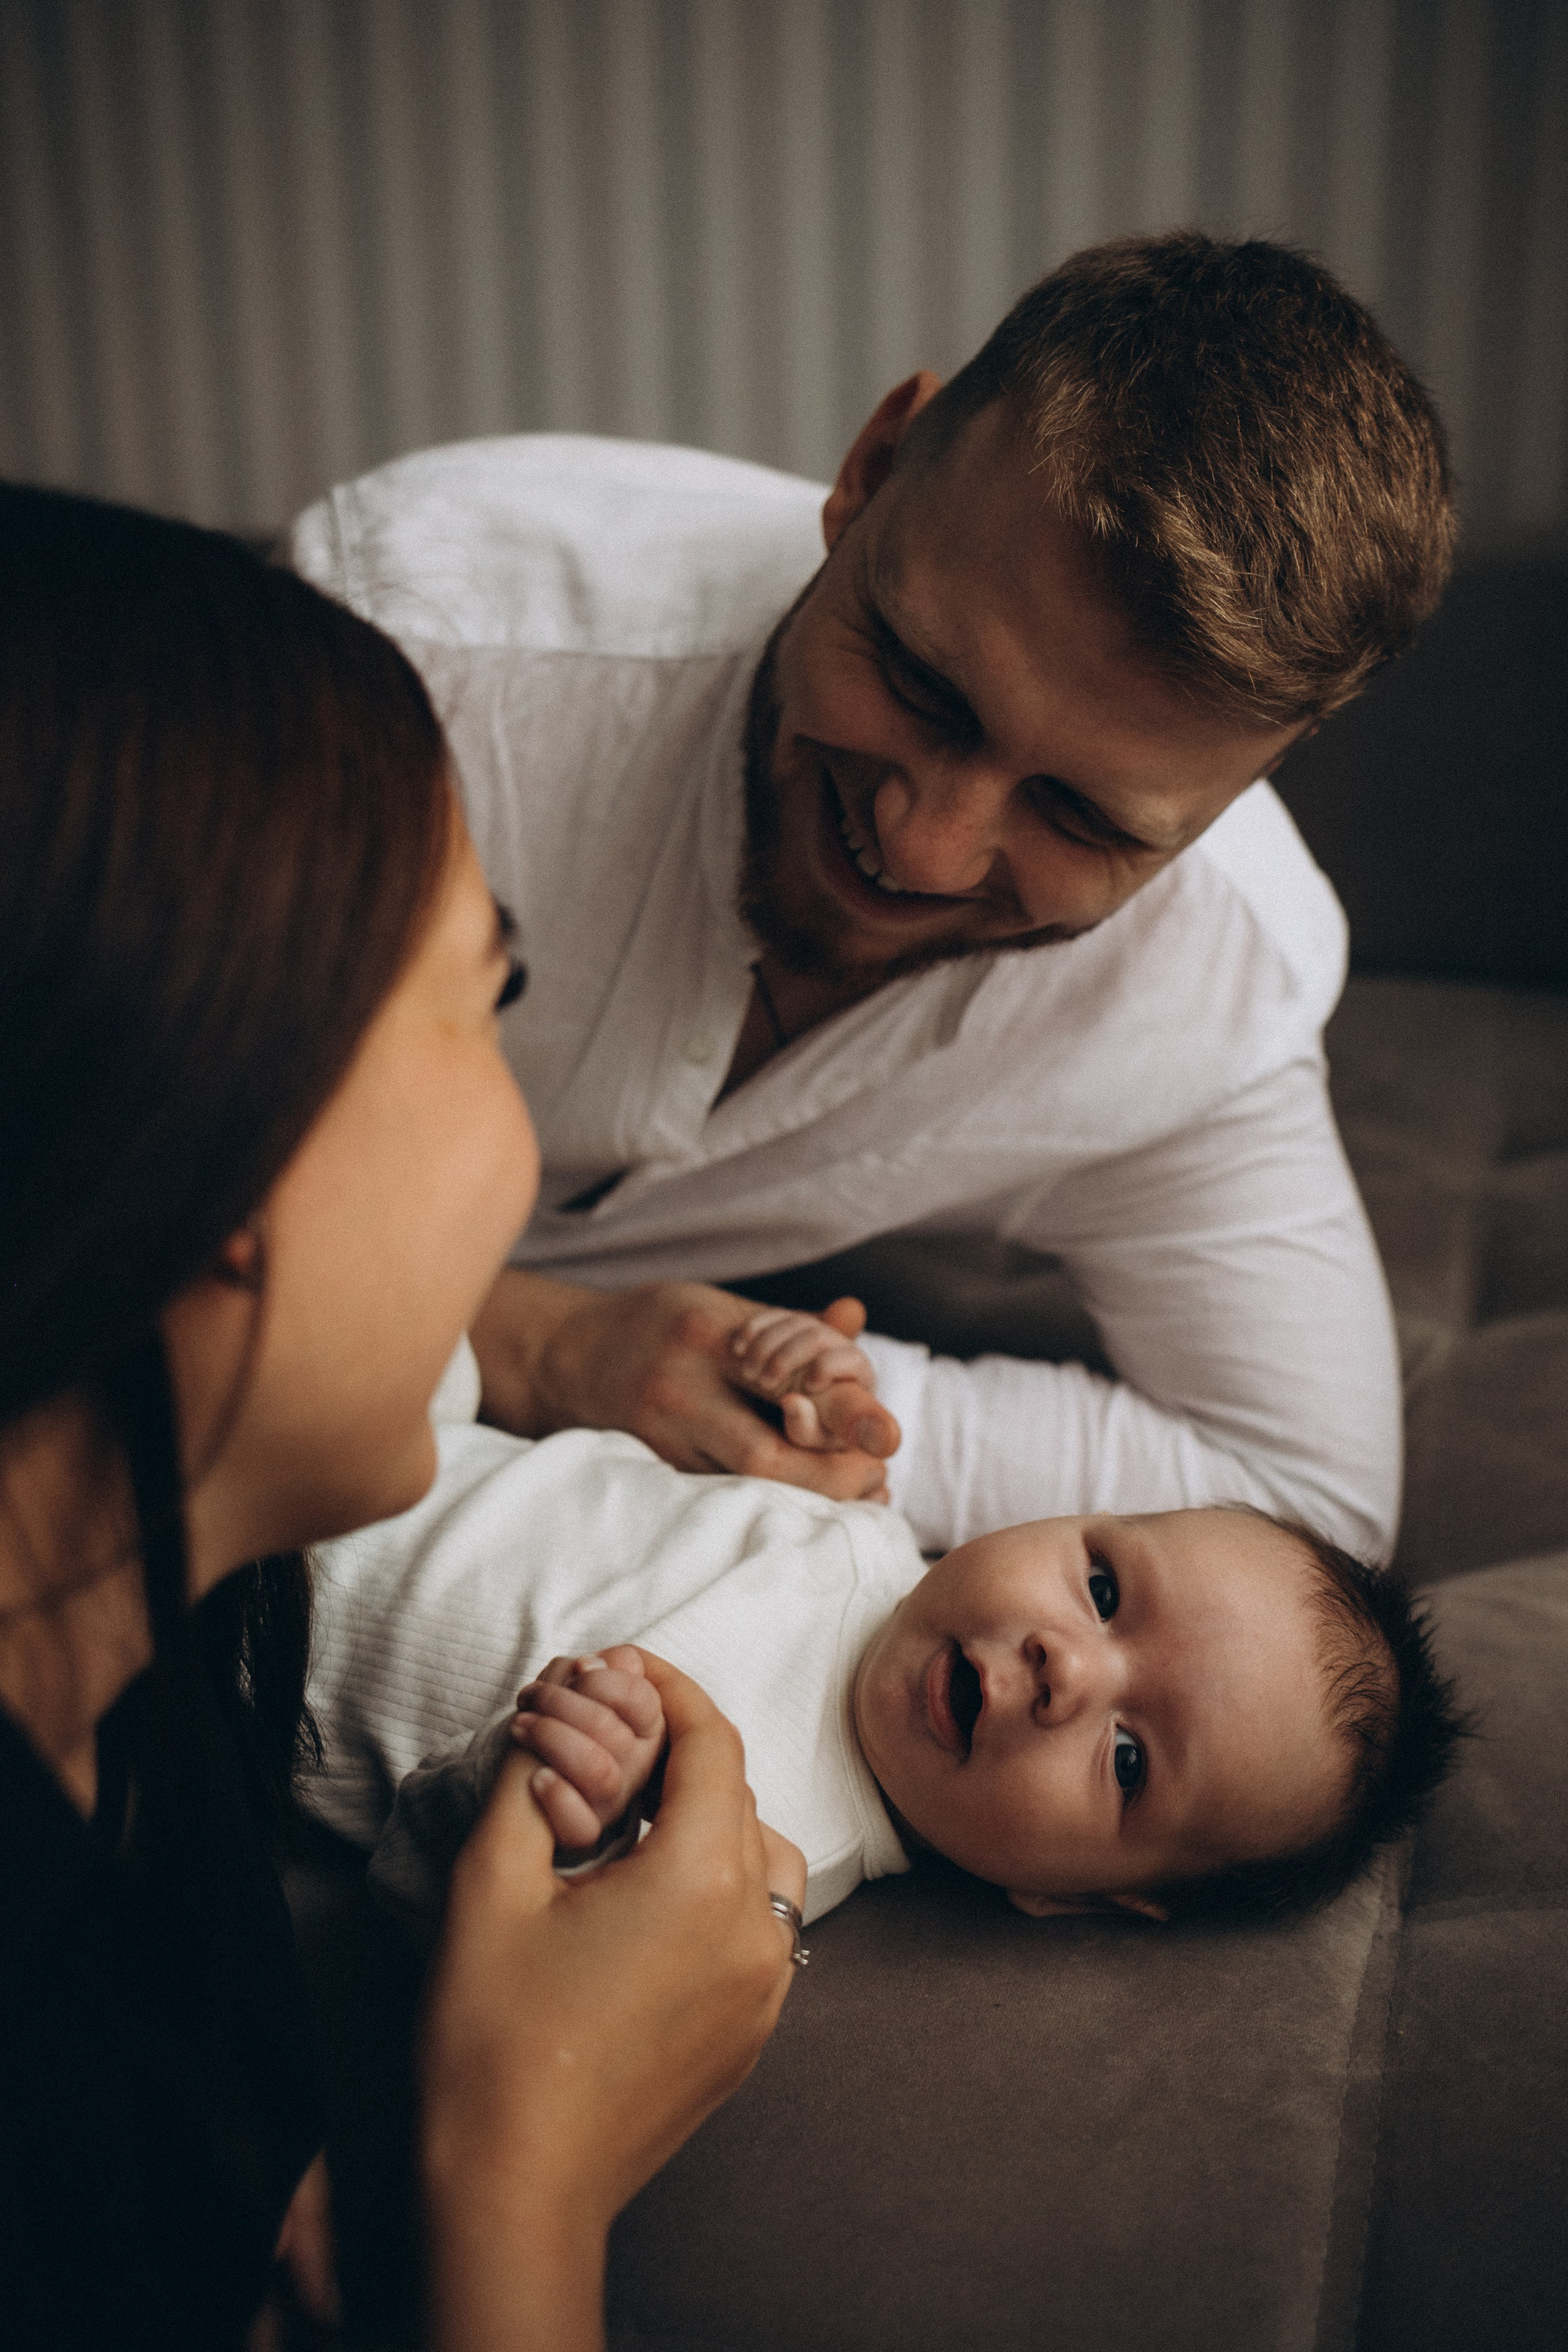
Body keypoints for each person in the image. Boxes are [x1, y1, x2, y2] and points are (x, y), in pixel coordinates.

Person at [288, 231, 1455, 1568]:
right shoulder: (400, 653)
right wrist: (547, 1348)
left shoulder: (1214, 984)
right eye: (919, 685)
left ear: (1249, 781)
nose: (925, 850)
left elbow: (1299, 1502)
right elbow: (77, 1151)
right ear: (871, 468)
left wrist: (826, 1408)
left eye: (1078, 815)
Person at [0, 484, 805, 2352]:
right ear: (204, 1124)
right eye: (480, 998)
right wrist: (521, 2170)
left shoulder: (157, 1685)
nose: (526, 1151)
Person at [303, 1316, 1464, 1936]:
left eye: (1128, 1759)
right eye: (1105, 1589)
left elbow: (434, 1907)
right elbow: (655, 1453)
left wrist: (553, 1802)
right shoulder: (863, 1526)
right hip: (372, 1426)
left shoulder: (764, 1853)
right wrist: (791, 1376)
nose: (1069, 1666)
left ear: (1079, 1897)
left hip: (239, 1630)